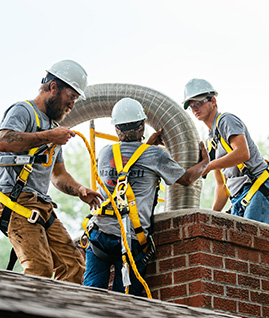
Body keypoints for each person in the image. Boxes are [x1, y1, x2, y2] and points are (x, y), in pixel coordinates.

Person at [0, 60, 103, 283]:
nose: (72, 105)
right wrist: (49, 136)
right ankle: (26, 316)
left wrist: (79, 190)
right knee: (39, 267)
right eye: (71, 96)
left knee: (74, 266)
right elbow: (4, 142)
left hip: (41, 204)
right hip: (15, 200)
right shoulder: (24, 111)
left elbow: (58, 175)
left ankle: (60, 316)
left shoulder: (52, 127)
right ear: (53, 87)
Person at [83, 97, 209, 295]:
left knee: (90, 296)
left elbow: (128, 162)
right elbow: (185, 179)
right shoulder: (156, 155)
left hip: (99, 234)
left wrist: (147, 145)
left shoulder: (106, 152)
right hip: (131, 239)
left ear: (116, 128)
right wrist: (204, 163)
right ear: (142, 126)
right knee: (125, 302)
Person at [182, 78, 269, 225]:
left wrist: (208, 166)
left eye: (199, 103)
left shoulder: (226, 121)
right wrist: (211, 217)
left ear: (213, 101)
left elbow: (242, 153)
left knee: (252, 240)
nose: (195, 108)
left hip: (257, 187)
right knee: (239, 245)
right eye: (191, 106)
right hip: (238, 198)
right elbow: (222, 186)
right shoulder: (211, 142)